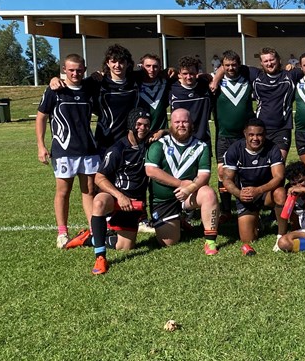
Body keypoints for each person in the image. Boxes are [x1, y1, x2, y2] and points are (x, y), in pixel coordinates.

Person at [36, 54, 101, 249]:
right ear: (64, 69)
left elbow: (107, 73)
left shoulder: (89, 87)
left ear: (84, 69)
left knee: (89, 190)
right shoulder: (54, 90)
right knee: (63, 191)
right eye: (71, 70)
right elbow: (41, 118)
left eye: (79, 70)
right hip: (64, 150)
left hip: (88, 149)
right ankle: (62, 233)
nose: (75, 73)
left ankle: (94, 230)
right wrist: (40, 145)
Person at [145, 108, 220, 253]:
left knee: (208, 194)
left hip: (188, 195)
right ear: (171, 125)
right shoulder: (159, 144)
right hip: (163, 200)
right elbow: (151, 171)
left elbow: (204, 175)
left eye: (185, 121)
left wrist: (189, 189)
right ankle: (179, 220)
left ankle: (210, 241)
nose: (181, 125)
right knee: (169, 242)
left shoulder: (201, 146)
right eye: (177, 122)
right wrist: (180, 184)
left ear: (191, 123)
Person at [89, 109, 153, 274]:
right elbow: (99, 177)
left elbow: (172, 133)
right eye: (138, 124)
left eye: (146, 125)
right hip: (115, 198)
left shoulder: (150, 144)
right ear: (131, 124)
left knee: (125, 247)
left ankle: (90, 238)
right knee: (99, 202)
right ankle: (100, 257)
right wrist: (120, 196)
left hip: (134, 204)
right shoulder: (117, 149)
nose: (142, 128)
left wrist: (163, 132)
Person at [221, 118, 285, 256]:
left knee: (280, 193)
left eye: (259, 134)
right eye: (251, 135)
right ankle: (257, 220)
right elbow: (226, 180)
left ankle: (281, 234)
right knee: (248, 239)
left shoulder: (272, 148)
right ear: (245, 134)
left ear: (265, 134)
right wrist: (239, 194)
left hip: (265, 192)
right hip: (246, 195)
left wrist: (259, 190)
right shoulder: (234, 150)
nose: (255, 138)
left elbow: (279, 177)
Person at [211, 50, 254, 216]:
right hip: (224, 135)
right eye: (227, 65)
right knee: (223, 172)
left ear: (239, 65)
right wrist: (215, 78)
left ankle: (245, 205)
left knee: (243, 171)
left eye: (234, 64)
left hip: (244, 136)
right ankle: (227, 209)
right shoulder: (215, 84)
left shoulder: (247, 78)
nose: (230, 68)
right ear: (222, 66)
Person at [93, 44, 140, 153]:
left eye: (121, 62)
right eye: (113, 62)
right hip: (105, 140)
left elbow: (156, 73)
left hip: (129, 140)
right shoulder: (98, 82)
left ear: (128, 64)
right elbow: (74, 84)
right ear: (107, 63)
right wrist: (55, 79)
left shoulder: (135, 80)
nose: (117, 65)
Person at [169, 55, 215, 148]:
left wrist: (209, 77)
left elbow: (216, 76)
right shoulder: (171, 88)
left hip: (202, 140)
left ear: (197, 72)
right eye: (185, 73)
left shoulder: (205, 85)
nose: (189, 77)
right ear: (180, 74)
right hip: (179, 140)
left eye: (192, 73)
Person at [136, 53, 171, 136]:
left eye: (155, 66)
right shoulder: (134, 84)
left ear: (160, 68)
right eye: (148, 66)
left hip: (161, 134)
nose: (152, 69)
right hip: (139, 134)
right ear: (141, 67)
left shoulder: (166, 83)